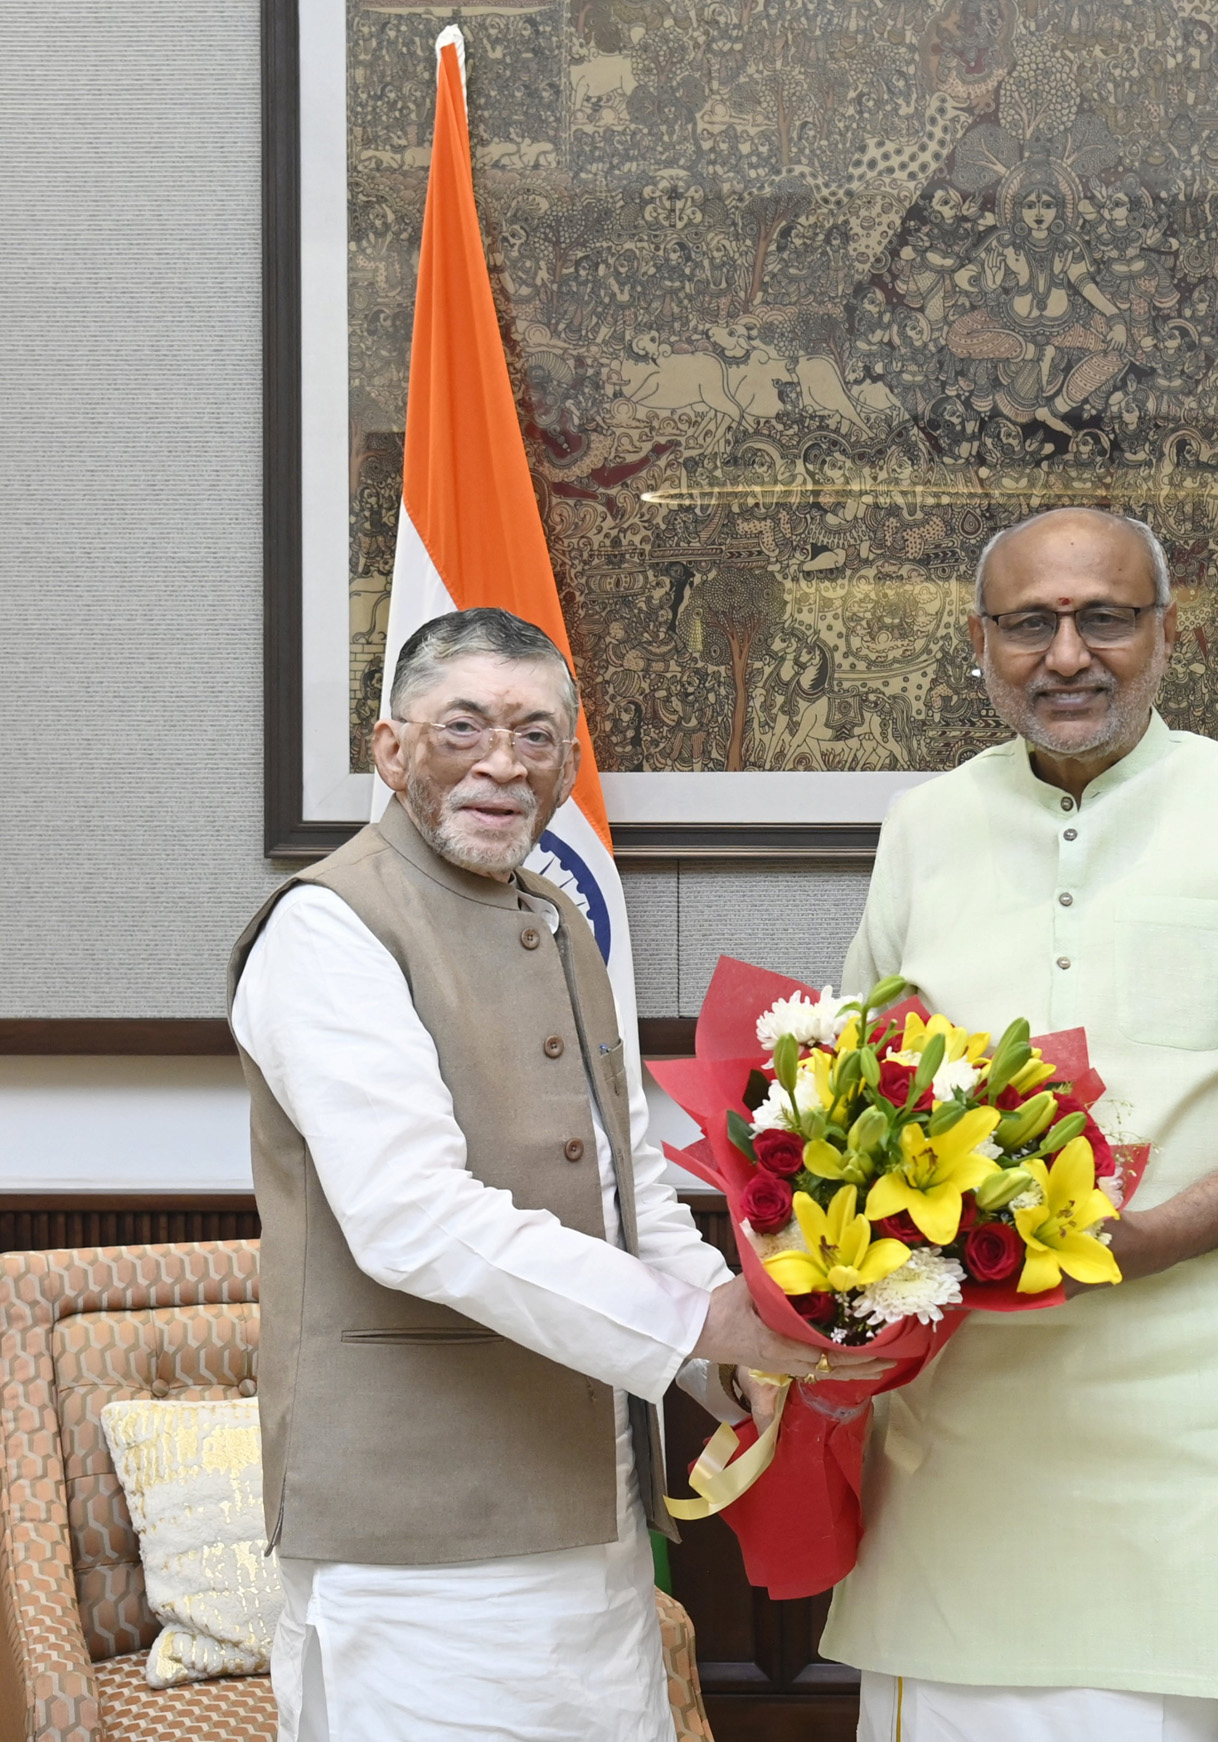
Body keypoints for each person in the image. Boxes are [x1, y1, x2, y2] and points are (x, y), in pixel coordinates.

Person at [822, 507, 1218, 1742]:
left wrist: (1149, 1237)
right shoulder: (921, 829)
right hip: (966, 1438)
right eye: (1029, 623)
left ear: (1167, 632)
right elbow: (851, 1102)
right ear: (980, 642)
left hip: (1208, 1434)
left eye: (1103, 617)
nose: (1067, 655)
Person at [228, 608, 887, 1742]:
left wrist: (735, 1360)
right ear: (389, 749)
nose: (502, 762)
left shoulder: (557, 921)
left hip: (598, 1530)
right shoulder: (326, 929)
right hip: (418, 1545)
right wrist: (702, 1324)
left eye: (538, 735)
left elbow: (632, 1190)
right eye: (464, 727)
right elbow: (414, 1221)